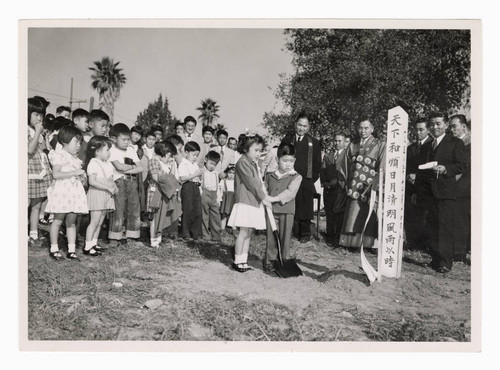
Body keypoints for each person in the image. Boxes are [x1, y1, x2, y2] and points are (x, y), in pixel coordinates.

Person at [416, 112, 466, 273]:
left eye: (438, 124)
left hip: (446, 192)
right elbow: (421, 171)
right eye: (432, 124)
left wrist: (445, 169)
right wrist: (418, 191)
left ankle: (445, 262)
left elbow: (461, 165)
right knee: (432, 225)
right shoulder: (426, 146)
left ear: (445, 125)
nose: (435, 127)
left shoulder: (455, 143)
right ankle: (435, 258)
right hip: (429, 192)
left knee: (445, 227)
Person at [228, 133, 272, 272]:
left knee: (248, 233)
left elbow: (258, 182)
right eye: (256, 150)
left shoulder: (254, 164)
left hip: (253, 201)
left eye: (260, 151)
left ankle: (243, 261)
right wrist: (263, 198)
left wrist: (264, 194)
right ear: (246, 149)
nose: (258, 154)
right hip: (245, 201)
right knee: (243, 232)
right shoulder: (242, 162)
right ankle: (237, 261)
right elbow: (251, 183)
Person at [339, 119, 386, 248]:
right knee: (353, 210)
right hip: (354, 184)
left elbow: (382, 165)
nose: (363, 131)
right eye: (361, 128)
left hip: (369, 185)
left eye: (366, 128)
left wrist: (377, 183)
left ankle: (367, 243)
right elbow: (344, 164)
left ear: (372, 129)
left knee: (367, 212)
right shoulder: (353, 145)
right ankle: (350, 242)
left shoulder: (380, 144)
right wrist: (346, 181)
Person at [45, 125, 88, 260]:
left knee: (72, 221)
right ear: (65, 141)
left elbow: (77, 176)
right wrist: (74, 172)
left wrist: (81, 177)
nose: (78, 146)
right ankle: (54, 248)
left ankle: (71, 249)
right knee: (58, 220)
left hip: (73, 193)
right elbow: (56, 174)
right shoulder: (59, 155)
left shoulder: (75, 159)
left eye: (80, 143)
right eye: (76, 142)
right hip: (63, 192)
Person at [281, 113, 321, 242]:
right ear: (295, 125)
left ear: (308, 127)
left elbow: (317, 163)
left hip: (306, 179)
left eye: (304, 126)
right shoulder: (287, 139)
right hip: (289, 177)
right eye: (299, 125)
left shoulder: (314, 142)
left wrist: (310, 179)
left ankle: (304, 234)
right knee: (290, 204)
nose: (301, 128)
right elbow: (281, 157)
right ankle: (290, 232)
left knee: (305, 207)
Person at [263, 142, 302, 270]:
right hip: (271, 211)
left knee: (285, 237)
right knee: (271, 236)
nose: (288, 164)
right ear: (277, 159)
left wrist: (274, 198)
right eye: (285, 160)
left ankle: (284, 260)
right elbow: (265, 189)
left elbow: (290, 193)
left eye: (291, 161)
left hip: (287, 211)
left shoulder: (296, 177)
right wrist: (264, 194)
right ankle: (270, 261)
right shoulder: (269, 175)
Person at [108, 123, 143, 241]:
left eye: (128, 139)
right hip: (119, 181)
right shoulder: (111, 150)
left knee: (134, 207)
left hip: (132, 181)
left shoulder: (131, 150)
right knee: (118, 209)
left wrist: (127, 167)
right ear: (114, 139)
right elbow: (119, 167)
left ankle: (132, 234)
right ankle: (115, 236)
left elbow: (141, 168)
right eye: (123, 139)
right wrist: (132, 167)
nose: (126, 142)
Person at [83, 136, 118, 256]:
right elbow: (92, 181)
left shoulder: (107, 164)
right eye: (107, 150)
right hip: (97, 194)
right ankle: (87, 246)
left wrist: (113, 186)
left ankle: (94, 243)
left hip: (105, 194)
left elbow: (110, 179)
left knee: (100, 222)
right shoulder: (93, 163)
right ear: (97, 151)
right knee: (94, 221)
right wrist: (107, 187)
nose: (109, 153)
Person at [405, 119, 433, 250]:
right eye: (416, 129)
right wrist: (409, 175)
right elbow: (407, 166)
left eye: (421, 129)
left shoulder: (432, 145)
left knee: (424, 215)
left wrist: (418, 176)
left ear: (428, 130)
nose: (418, 132)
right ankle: (412, 242)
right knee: (411, 214)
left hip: (425, 185)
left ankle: (424, 244)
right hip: (411, 185)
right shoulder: (410, 148)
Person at [28, 97, 52, 246]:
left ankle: (34, 234)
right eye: (36, 114)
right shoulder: (24, 129)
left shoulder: (38, 131)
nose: (39, 118)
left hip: (39, 169)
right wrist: (37, 132)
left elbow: (43, 149)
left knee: (36, 204)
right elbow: (29, 150)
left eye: (41, 115)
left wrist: (44, 137)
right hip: (28, 169)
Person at [146, 140, 180, 248]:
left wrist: (173, 166)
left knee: (161, 215)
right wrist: (169, 179)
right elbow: (156, 177)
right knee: (154, 217)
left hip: (163, 192)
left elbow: (172, 177)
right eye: (170, 156)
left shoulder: (166, 164)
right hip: (155, 192)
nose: (170, 159)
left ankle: (158, 239)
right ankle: (153, 240)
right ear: (164, 152)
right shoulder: (154, 160)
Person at [320, 133, 348, 246]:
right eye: (335, 141)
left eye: (340, 141)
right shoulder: (328, 155)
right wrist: (325, 183)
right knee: (329, 212)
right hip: (329, 189)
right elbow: (323, 170)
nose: (337, 143)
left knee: (339, 213)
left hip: (340, 189)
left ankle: (338, 238)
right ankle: (330, 235)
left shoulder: (347, 155)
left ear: (345, 142)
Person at [449, 114, 471, 261]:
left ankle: (460, 252)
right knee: (455, 219)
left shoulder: (469, 144)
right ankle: (456, 250)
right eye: (450, 127)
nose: (452, 129)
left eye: (454, 126)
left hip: (465, 188)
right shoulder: (454, 143)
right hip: (454, 188)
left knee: (462, 220)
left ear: (463, 126)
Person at [178, 141, 203, 240]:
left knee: (197, 211)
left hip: (196, 187)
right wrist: (195, 175)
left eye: (197, 155)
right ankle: (185, 232)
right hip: (187, 187)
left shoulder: (195, 164)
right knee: (187, 210)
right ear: (187, 152)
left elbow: (197, 177)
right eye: (193, 155)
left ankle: (196, 233)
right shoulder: (183, 163)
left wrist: (199, 177)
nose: (195, 157)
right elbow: (182, 179)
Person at [201, 150, 223, 242]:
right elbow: (200, 184)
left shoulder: (215, 174)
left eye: (214, 164)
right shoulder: (202, 171)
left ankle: (216, 235)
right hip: (204, 194)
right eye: (211, 163)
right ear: (206, 159)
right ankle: (205, 235)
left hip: (213, 195)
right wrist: (201, 195)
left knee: (215, 215)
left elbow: (217, 187)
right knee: (204, 215)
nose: (212, 166)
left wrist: (218, 198)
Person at [220, 165, 236, 230]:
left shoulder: (236, 182)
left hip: (233, 199)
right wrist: (220, 198)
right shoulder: (224, 181)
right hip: (226, 199)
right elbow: (221, 190)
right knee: (224, 214)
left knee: (234, 214)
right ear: (227, 173)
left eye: (233, 173)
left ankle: (234, 229)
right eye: (230, 173)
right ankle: (222, 228)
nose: (231, 175)